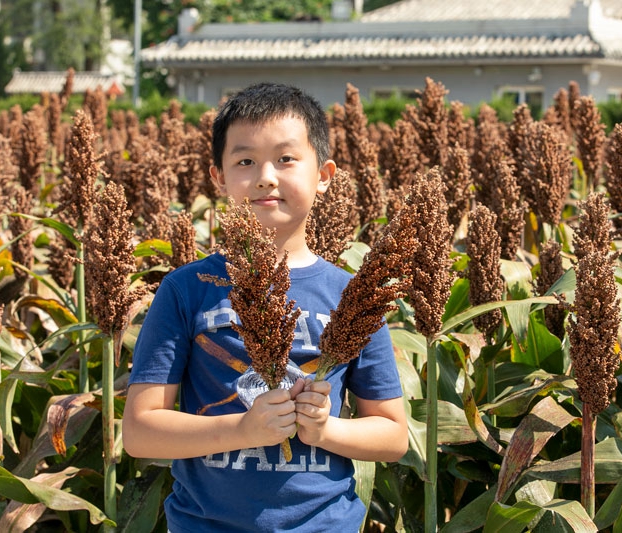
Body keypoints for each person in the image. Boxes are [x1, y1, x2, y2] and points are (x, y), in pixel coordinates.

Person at [123, 82, 408, 532]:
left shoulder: (354, 295)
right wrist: (243, 431)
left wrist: (324, 430)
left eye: (286, 158)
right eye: (245, 161)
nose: (265, 176)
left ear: (325, 174)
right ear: (218, 177)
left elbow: (392, 435)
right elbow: (139, 432)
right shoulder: (186, 289)